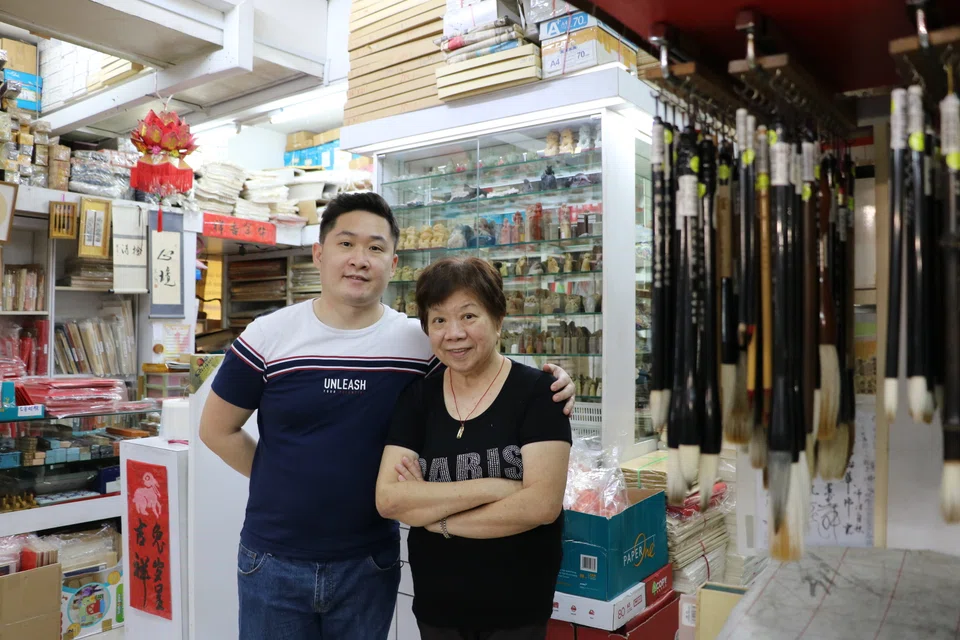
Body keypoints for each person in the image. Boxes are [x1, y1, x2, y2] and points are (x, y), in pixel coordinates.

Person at [198, 192, 576, 640]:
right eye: (346, 244)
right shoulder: (269, 334)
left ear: (393, 264)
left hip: (369, 560)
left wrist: (552, 379)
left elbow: (476, 361)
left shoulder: (414, 342)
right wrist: (282, 480)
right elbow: (216, 429)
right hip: (273, 558)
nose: (360, 259)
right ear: (319, 253)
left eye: (375, 248)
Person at [376, 257, 572, 640]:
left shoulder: (538, 394)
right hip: (438, 606)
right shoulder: (418, 399)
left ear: (498, 319)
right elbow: (389, 499)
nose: (454, 333)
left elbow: (541, 506)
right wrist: (495, 488)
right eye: (439, 320)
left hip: (517, 608)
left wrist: (438, 520)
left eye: (468, 316)